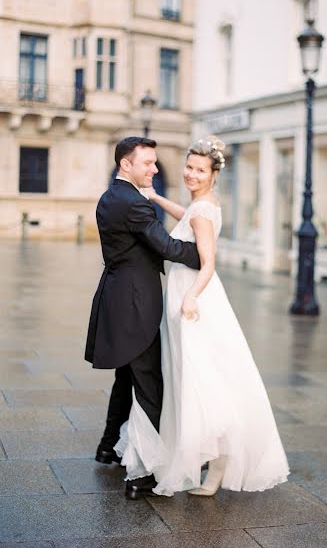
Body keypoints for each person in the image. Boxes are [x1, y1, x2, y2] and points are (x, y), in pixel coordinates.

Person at [115, 135, 289, 497]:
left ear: (213, 175)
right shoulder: (202, 205)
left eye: (200, 170)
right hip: (187, 297)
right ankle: (211, 463)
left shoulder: (205, 209)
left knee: (202, 380)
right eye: (189, 167)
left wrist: (191, 297)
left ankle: (217, 466)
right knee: (194, 376)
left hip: (194, 301)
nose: (191, 174)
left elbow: (209, 261)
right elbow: (188, 218)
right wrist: (159, 199)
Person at [85, 136, 200, 500]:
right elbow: (166, 247)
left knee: (125, 377)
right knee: (150, 385)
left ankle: (107, 447)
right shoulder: (135, 204)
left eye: (153, 163)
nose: (154, 169)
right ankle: (142, 475)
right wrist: (205, 253)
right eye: (148, 163)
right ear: (125, 164)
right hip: (135, 306)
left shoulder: (110, 196)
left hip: (117, 297)